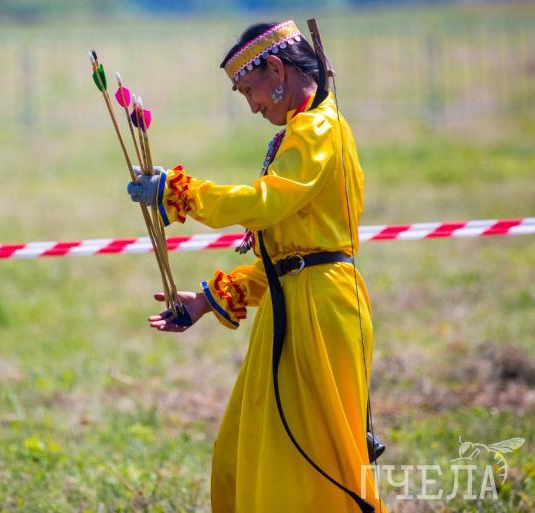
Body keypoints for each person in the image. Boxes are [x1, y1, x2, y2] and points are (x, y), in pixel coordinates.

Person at [126, 20, 385, 513]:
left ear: (277, 70)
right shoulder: (301, 131)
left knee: (313, 465)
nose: (252, 105)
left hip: (323, 312)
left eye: (250, 90)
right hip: (293, 305)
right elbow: (285, 257)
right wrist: (206, 302)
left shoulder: (319, 130)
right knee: (245, 452)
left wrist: (183, 193)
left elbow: (264, 205)